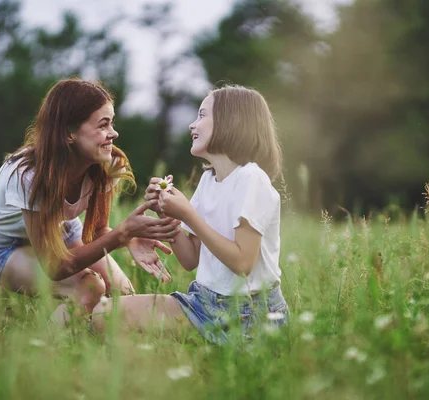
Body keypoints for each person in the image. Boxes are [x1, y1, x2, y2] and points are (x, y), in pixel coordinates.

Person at [92, 85, 289, 344]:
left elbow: (243, 264)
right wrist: (169, 214)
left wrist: (188, 215)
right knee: (104, 314)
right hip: (204, 302)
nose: (191, 125)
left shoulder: (252, 179)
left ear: (232, 122)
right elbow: (189, 259)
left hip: (250, 313)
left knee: (108, 316)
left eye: (202, 115)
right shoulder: (209, 180)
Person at [0, 78, 180, 315]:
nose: (113, 133)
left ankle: (93, 341)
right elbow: (55, 267)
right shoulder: (27, 174)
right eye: (103, 125)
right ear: (69, 133)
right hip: (6, 245)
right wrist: (123, 232)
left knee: (124, 298)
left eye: (112, 123)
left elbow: (96, 232)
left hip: (64, 231)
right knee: (89, 287)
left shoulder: (108, 163)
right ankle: (54, 348)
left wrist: (129, 240)